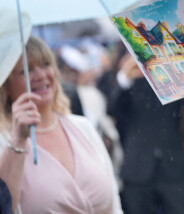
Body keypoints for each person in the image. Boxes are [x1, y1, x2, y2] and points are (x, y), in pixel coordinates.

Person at [0, 11, 123, 214]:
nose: (40, 75)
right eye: (26, 70)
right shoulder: (5, 141)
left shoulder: (82, 127)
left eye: (45, 64)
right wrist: (18, 142)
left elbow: (115, 206)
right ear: (7, 86)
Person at [107, 50, 184, 214]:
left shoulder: (171, 75)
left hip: (172, 165)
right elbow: (113, 108)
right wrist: (126, 77)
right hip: (138, 167)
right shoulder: (129, 81)